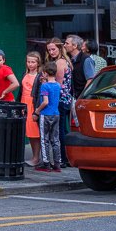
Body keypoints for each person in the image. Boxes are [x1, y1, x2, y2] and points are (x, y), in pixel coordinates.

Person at [44, 37, 73, 166]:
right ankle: (67, 156)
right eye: (49, 50)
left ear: (59, 48)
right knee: (63, 129)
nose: (51, 52)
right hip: (65, 99)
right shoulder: (61, 61)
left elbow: (58, 84)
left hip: (60, 99)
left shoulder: (60, 63)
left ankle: (63, 159)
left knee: (60, 130)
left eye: (53, 49)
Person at [34, 63, 62, 172]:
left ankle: (46, 163)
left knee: (44, 139)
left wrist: (37, 110)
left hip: (45, 114)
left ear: (45, 73)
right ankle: (57, 163)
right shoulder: (58, 85)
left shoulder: (44, 86)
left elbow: (45, 102)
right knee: (55, 139)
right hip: (56, 114)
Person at [20, 52, 42, 166]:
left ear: (38, 63)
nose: (30, 64)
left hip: (32, 104)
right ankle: (35, 157)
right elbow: (21, 90)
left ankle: (36, 157)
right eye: (28, 62)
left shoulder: (40, 76)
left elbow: (39, 94)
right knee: (28, 132)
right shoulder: (25, 73)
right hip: (24, 103)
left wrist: (36, 111)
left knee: (35, 132)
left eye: (33, 62)